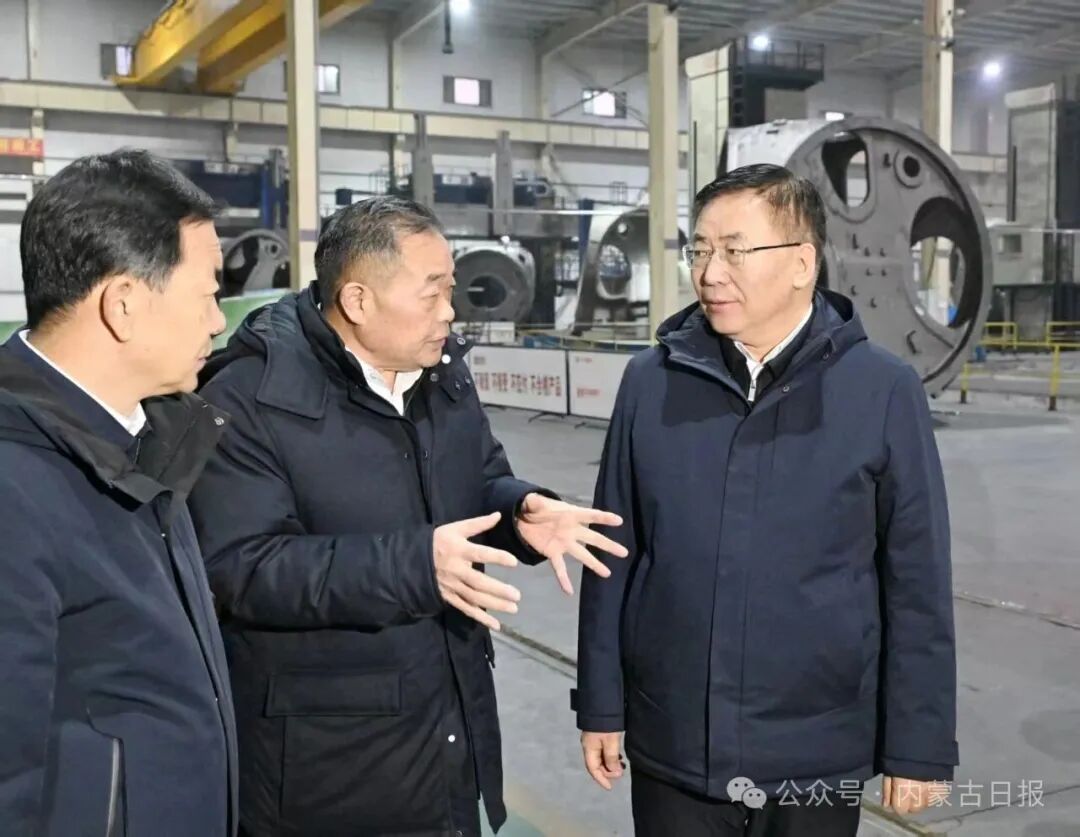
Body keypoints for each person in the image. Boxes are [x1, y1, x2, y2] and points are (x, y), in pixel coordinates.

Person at [188, 195, 627, 837]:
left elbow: (479, 479)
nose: (449, 311)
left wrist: (518, 512)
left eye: (451, 289)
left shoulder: (442, 377)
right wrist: (417, 565)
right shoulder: (250, 399)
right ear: (358, 301)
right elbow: (241, 567)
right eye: (431, 293)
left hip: (445, 733)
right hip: (326, 770)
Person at [575, 164, 958, 837]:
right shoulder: (649, 383)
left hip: (817, 749)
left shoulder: (881, 390)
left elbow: (916, 580)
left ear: (802, 263)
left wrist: (918, 744)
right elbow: (613, 553)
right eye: (699, 250)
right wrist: (601, 703)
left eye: (735, 250)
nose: (710, 273)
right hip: (675, 742)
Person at [0, 150, 237, 836]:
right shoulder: (15, 488)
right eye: (207, 294)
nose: (218, 322)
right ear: (124, 303)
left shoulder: (148, 441)